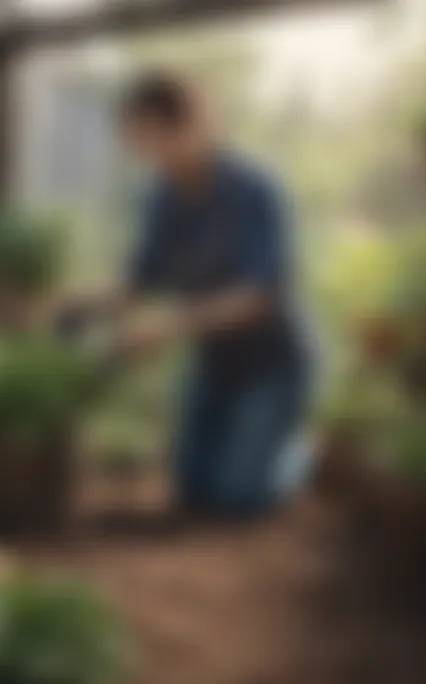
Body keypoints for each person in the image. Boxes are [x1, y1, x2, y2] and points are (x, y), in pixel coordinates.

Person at [92, 72, 314, 519]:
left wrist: (168, 328)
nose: (146, 154)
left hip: (271, 365)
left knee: (238, 500)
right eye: (137, 141)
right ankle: (256, 450)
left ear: (193, 125)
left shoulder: (254, 188)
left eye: (153, 139)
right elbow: (140, 279)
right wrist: (70, 305)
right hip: (212, 364)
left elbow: (261, 294)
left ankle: (298, 456)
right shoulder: (162, 195)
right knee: (192, 490)